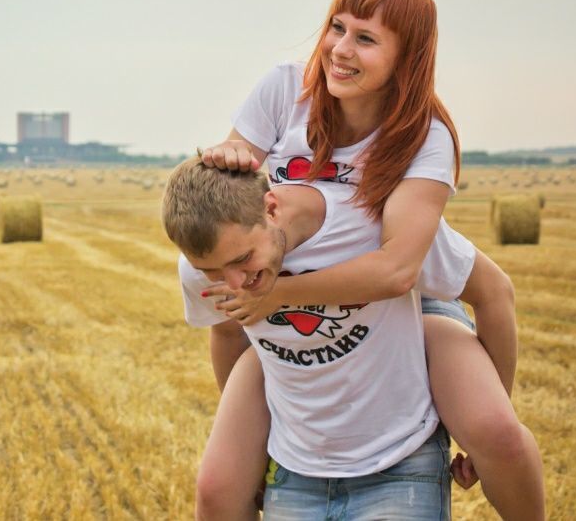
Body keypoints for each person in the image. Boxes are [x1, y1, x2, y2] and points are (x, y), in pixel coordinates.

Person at [185, 0, 544, 519]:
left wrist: (277, 295)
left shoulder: (423, 137)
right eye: (337, 27)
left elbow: (403, 271)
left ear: (408, 58)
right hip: (292, 275)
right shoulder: (286, 90)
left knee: (500, 435)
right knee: (217, 485)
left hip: (403, 287)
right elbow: (228, 200)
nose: (340, 49)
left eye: (366, 39)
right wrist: (228, 157)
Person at [164, 159, 477, 519]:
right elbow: (226, 333)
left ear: (271, 208)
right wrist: (251, 440)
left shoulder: (373, 228)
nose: (232, 283)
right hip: (297, 468)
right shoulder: (204, 271)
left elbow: (488, 288)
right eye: (211, 271)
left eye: (243, 259)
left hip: (399, 456)